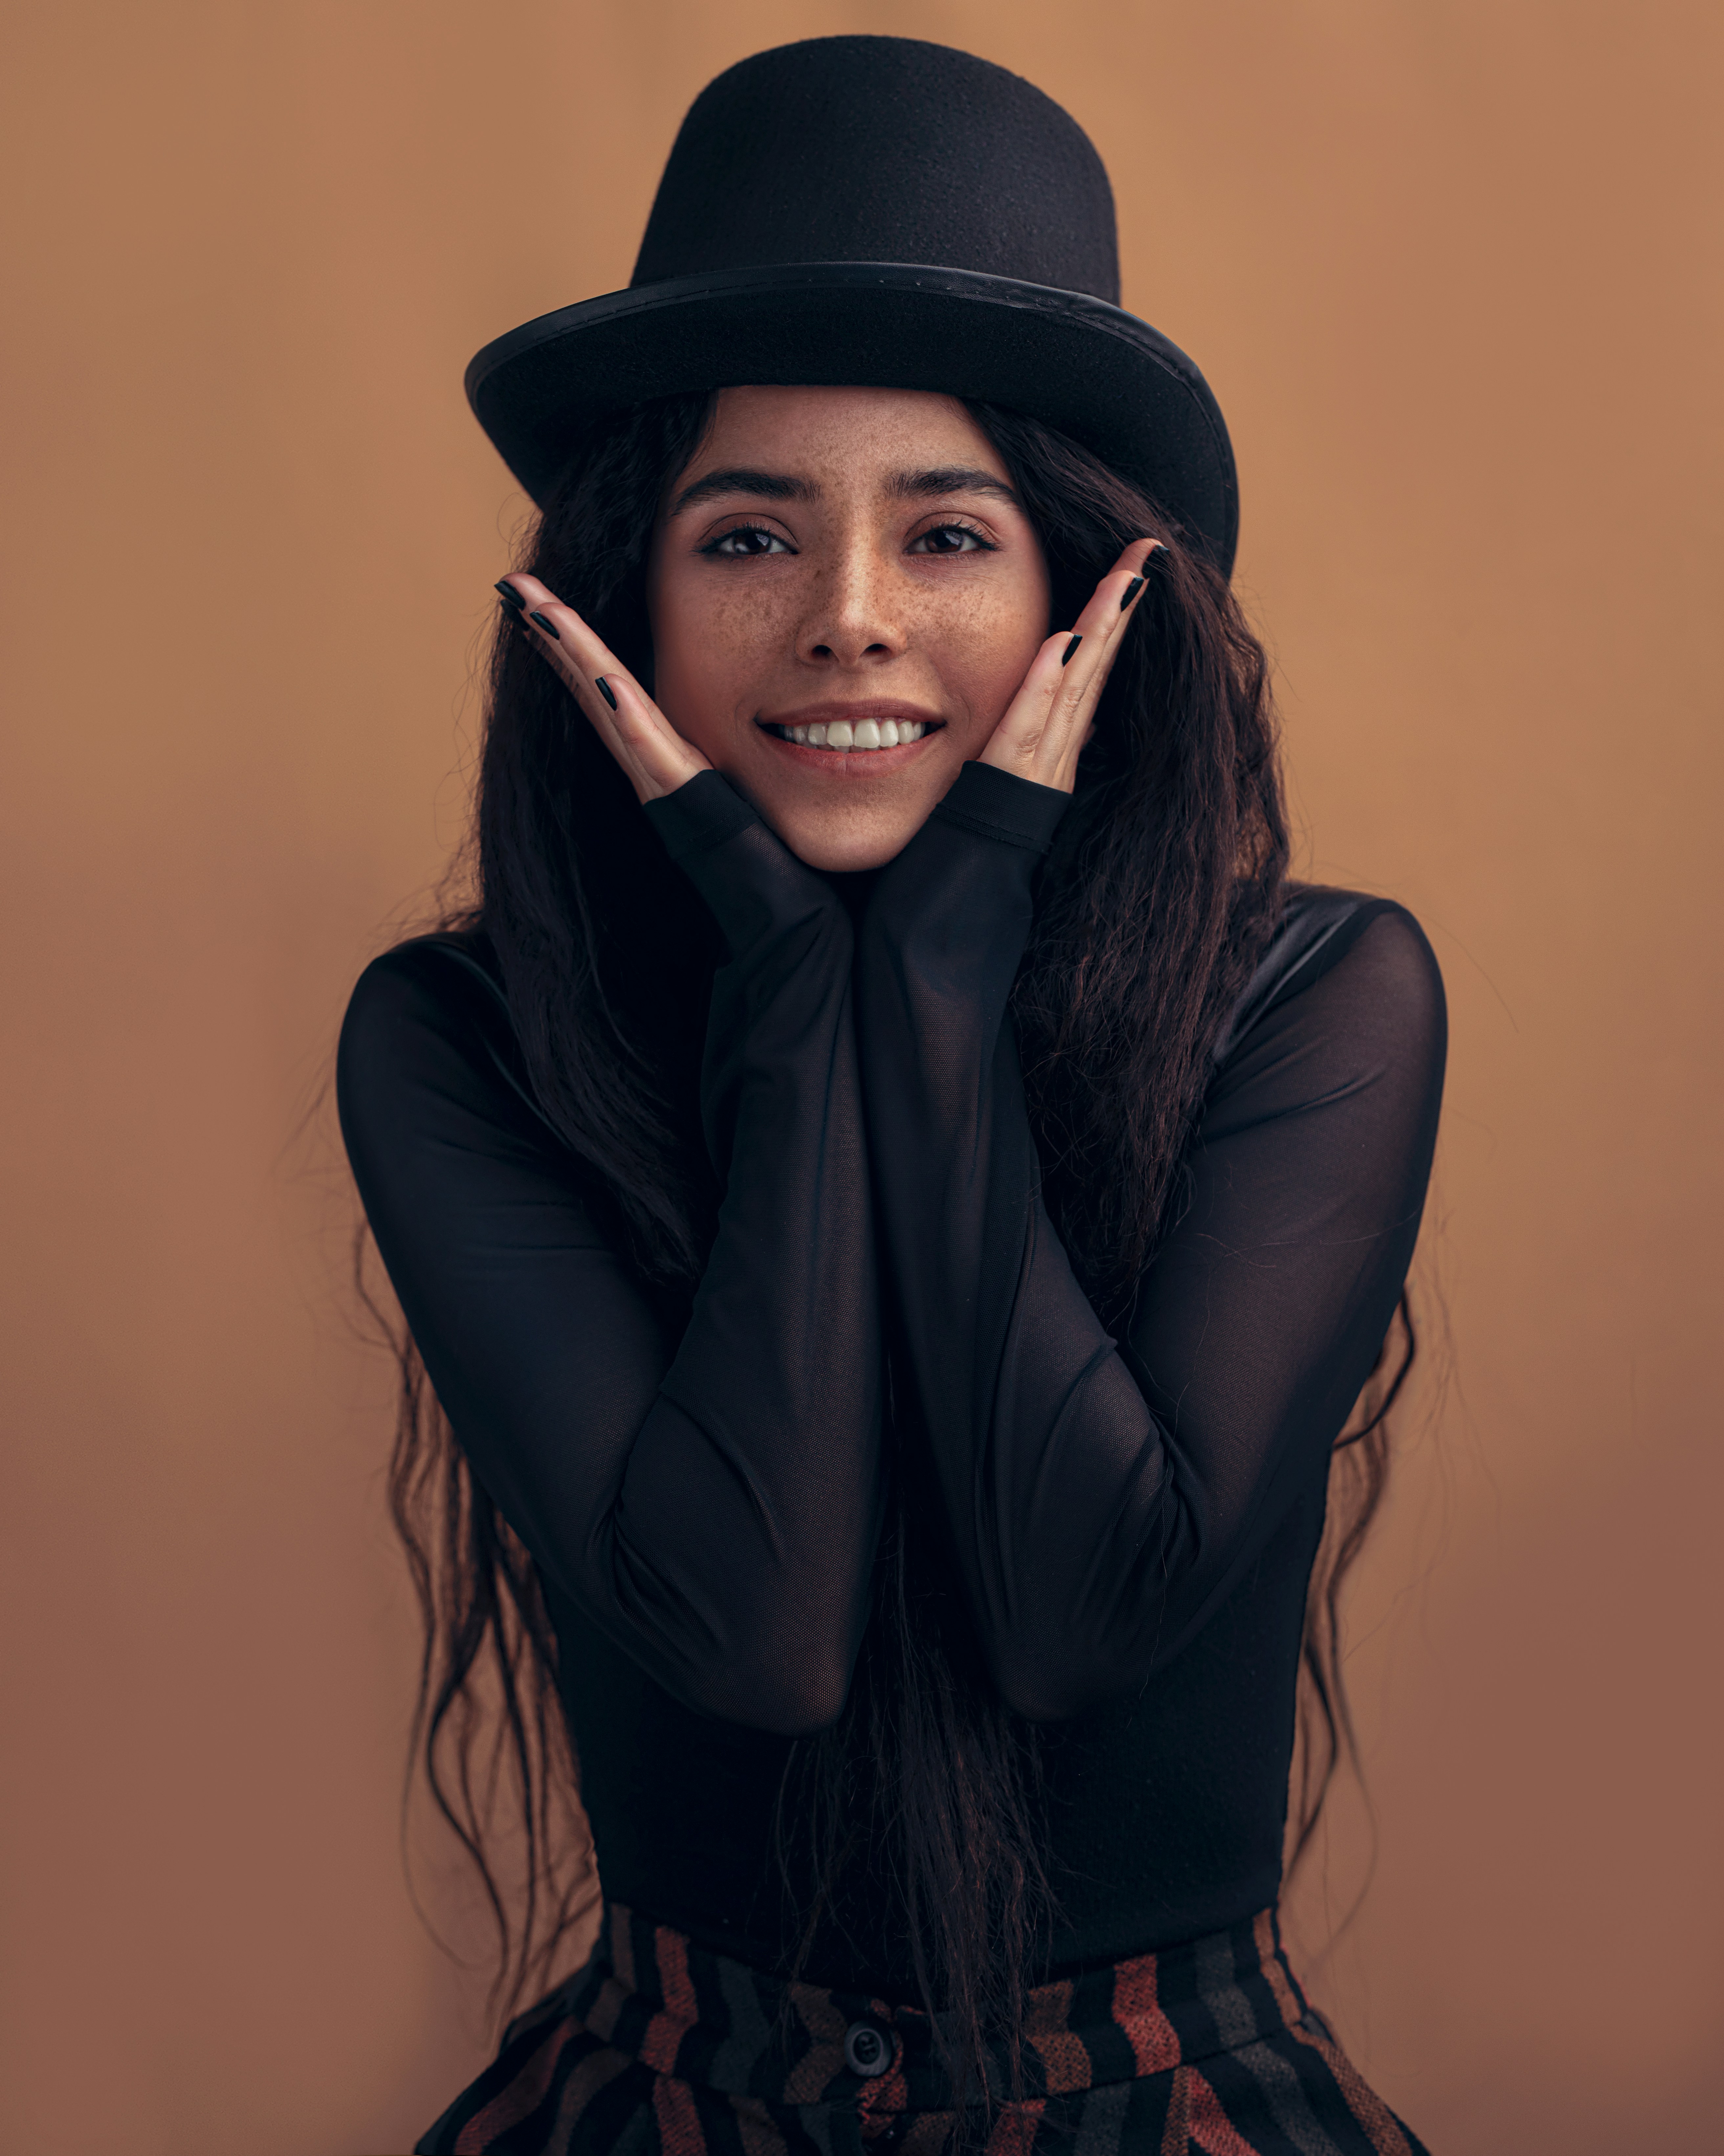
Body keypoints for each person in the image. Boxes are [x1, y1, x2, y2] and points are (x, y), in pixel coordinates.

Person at [338, 36, 1445, 2156]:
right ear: (619, 595)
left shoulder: (1318, 997)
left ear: (1080, 590)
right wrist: (784, 966)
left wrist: (930, 967)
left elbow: (1082, 1605)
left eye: (946, 531)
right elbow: (749, 1629)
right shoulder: (456, 1039)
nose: (847, 619)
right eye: (747, 532)